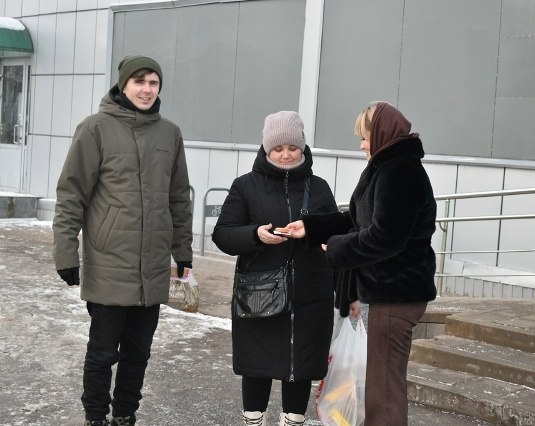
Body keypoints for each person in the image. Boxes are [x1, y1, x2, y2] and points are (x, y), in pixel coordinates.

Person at [52, 55, 193, 426]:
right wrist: (66, 253)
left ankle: (125, 415)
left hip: (153, 264)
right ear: (123, 84)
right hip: (109, 261)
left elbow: (179, 197)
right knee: (102, 352)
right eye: (139, 81)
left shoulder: (169, 134)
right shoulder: (95, 128)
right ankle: (95, 416)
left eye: (153, 83)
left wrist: (183, 250)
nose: (147, 90)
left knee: (138, 352)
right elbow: (71, 195)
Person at [286, 101, 437, 426]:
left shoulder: (399, 172)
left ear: (381, 135)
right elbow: (357, 221)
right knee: (378, 387)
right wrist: (311, 227)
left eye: (365, 137)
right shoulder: (387, 168)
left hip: (395, 294)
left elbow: (385, 237)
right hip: (387, 292)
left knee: (383, 392)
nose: (362, 145)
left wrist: (335, 248)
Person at [212, 111, 337, 426]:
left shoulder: (319, 187)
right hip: (259, 294)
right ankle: (253, 421)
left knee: (300, 366)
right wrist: (255, 235)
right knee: (257, 366)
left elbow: (337, 233)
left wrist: (314, 231)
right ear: (267, 149)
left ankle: (293, 421)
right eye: (278, 148)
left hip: (311, 296)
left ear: (302, 147)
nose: (286, 154)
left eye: (292, 147)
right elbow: (223, 234)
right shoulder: (245, 186)